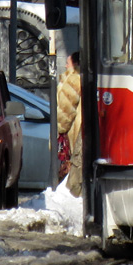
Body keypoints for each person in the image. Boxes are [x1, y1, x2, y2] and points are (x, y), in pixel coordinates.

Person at [56, 51, 83, 196]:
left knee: (72, 168)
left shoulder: (73, 79)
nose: (65, 65)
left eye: (68, 63)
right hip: (79, 129)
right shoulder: (82, 77)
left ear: (76, 64)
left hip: (73, 131)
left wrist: (59, 130)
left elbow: (65, 111)